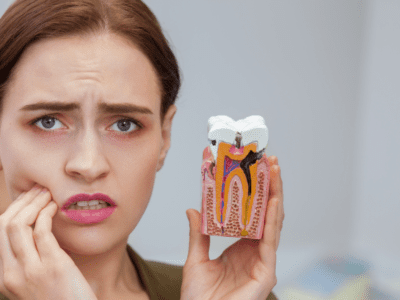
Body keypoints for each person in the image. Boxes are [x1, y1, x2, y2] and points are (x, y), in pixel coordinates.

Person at [0, 0, 284, 299]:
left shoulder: (236, 293)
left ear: (164, 137)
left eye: (124, 124)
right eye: (47, 122)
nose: (89, 164)